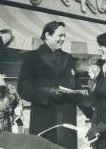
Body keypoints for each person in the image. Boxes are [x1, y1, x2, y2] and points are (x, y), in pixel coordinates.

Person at [18, 21, 88, 149]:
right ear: (47, 35)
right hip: (44, 120)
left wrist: (94, 116)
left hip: (67, 120)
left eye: (64, 36)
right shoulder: (31, 57)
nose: (63, 39)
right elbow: (23, 89)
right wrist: (48, 92)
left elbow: (77, 90)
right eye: (60, 35)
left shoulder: (69, 58)